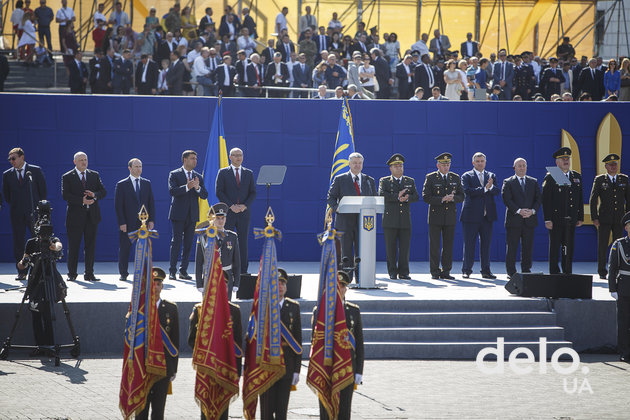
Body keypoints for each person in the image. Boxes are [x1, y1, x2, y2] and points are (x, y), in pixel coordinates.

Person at [188, 271, 242, 420]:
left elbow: (238, 346)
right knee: (206, 408)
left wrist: (237, 372)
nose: (222, 287)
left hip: (226, 367)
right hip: (207, 368)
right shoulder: (200, 310)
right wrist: (206, 354)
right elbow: (191, 339)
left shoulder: (234, 311)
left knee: (223, 408)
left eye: (225, 284)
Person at [17, 201, 64, 355]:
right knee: (36, 315)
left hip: (50, 281)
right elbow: (21, 266)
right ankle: (40, 346)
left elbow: (59, 247)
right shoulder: (31, 243)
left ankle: (50, 346)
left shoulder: (53, 240)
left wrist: (53, 246)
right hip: (35, 282)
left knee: (48, 315)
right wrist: (24, 261)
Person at [316, 271, 364, 420]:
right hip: (326, 369)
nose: (340, 288)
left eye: (343, 286)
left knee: (344, 411)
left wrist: (359, 372)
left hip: (348, 370)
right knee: (326, 411)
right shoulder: (320, 311)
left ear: (346, 289)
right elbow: (315, 342)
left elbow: (360, 345)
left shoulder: (353, 311)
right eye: (337, 285)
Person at [136, 267, 179, 420]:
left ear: (162, 286)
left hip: (163, 369)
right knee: (141, 410)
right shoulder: (138, 309)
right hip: (143, 368)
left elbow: (175, 341)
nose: (155, 287)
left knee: (158, 411)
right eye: (153, 283)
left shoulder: (171, 308)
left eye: (158, 284)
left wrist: (173, 369)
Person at [327, 152, 377, 282]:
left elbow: (375, 199)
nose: (357, 165)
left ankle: (362, 278)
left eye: (360, 163)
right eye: (354, 162)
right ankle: (346, 279)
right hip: (345, 221)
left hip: (365, 223)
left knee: (362, 252)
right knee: (346, 252)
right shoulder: (340, 179)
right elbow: (331, 197)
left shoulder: (369, 180)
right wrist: (337, 207)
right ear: (349, 163)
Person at [260, 269, 301, 419]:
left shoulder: (293, 307)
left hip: (287, 368)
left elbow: (298, 341)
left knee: (282, 411)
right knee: (266, 412)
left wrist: (297, 370)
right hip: (266, 367)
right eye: (277, 283)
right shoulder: (263, 307)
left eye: (283, 283)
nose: (280, 286)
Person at [61, 151, 107, 282]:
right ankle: (72, 274)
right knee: (74, 246)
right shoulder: (67, 176)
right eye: (81, 160)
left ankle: (89, 274)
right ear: (75, 162)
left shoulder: (94, 175)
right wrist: (82, 201)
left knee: (90, 246)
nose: (84, 162)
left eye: (85, 159)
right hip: (75, 218)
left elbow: (103, 192)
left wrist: (95, 195)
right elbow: (66, 195)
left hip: (92, 217)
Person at [3, 147, 47, 280]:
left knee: (37, 241)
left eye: (14, 158)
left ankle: (36, 271)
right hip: (16, 213)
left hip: (34, 213)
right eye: (10, 159)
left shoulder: (35, 171)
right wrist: (17, 205)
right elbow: (7, 195)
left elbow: (42, 191)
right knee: (19, 242)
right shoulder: (7, 174)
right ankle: (22, 271)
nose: (11, 161)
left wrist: (38, 209)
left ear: (22, 157)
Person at [422, 153, 464, 279]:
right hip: (436, 216)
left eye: (448, 164)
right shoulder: (431, 178)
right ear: (438, 165)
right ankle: (434, 271)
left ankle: (446, 271)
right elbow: (426, 197)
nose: (446, 167)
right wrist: (441, 199)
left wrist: (453, 198)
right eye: (443, 164)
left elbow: (462, 196)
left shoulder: (455, 177)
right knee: (434, 246)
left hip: (450, 216)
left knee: (448, 246)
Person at [542, 147, 583, 274]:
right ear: (557, 162)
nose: (566, 161)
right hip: (556, 219)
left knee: (569, 246)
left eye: (567, 159)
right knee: (555, 247)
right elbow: (546, 200)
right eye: (563, 159)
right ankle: (554, 272)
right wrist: (547, 219)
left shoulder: (576, 176)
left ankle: (567, 271)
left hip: (570, 219)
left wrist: (580, 216)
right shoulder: (553, 176)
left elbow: (579, 198)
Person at [168, 150, 208, 280]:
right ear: (185, 160)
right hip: (178, 214)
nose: (195, 161)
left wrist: (197, 188)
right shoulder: (174, 174)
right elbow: (172, 191)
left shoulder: (198, 176)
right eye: (192, 158)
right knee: (176, 242)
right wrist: (187, 187)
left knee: (188, 243)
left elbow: (204, 195)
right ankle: (172, 271)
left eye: (196, 158)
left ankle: (183, 271)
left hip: (192, 215)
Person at [216, 148, 256, 275]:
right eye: (235, 155)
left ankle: (243, 270)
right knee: (227, 240)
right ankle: (226, 269)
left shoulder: (248, 173)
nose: (238, 157)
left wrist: (245, 206)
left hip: (244, 213)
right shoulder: (223, 172)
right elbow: (219, 192)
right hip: (228, 213)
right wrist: (231, 206)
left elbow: (253, 192)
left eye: (240, 155)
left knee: (243, 241)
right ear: (230, 157)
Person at [589, 154, 630, 279]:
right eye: (610, 165)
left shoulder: (624, 179)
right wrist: (594, 217)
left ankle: (617, 269)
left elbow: (628, 199)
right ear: (606, 166)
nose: (613, 167)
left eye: (615, 164)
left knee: (619, 245)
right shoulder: (600, 179)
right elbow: (593, 199)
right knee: (602, 245)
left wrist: (628, 218)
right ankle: (602, 270)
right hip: (604, 218)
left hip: (619, 218)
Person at [378, 154, 419, 280]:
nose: (399, 168)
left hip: (405, 220)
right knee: (391, 248)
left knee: (404, 248)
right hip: (390, 220)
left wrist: (407, 198)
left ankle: (404, 272)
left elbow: (416, 196)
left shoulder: (409, 181)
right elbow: (381, 195)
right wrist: (397, 196)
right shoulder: (384, 181)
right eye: (396, 166)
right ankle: (392, 271)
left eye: (400, 166)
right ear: (390, 168)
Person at [114, 158, 155, 282]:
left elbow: (151, 203)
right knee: (125, 248)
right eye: (136, 167)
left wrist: (151, 220)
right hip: (127, 222)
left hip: (143, 223)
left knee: (143, 249)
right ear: (130, 168)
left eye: (140, 166)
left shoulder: (146, 183)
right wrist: (122, 222)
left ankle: (143, 272)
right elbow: (118, 206)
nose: (139, 169)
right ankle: (123, 273)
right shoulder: (122, 184)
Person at [459, 153, 499, 279]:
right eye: (477, 161)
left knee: (486, 245)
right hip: (470, 216)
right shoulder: (466, 176)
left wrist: (490, 187)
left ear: (485, 162)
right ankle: (467, 270)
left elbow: (497, 191)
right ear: (473, 163)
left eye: (482, 161)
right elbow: (467, 191)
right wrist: (484, 189)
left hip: (487, 217)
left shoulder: (491, 175)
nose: (480, 163)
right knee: (469, 244)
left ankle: (486, 271)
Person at [501, 158, 542, 279]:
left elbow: (538, 199)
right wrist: (519, 211)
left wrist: (532, 211)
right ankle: (511, 272)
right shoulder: (508, 182)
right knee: (512, 247)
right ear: (514, 168)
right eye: (519, 166)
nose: (522, 168)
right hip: (514, 220)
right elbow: (507, 199)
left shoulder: (533, 182)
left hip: (529, 220)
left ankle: (526, 269)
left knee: (527, 247)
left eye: (524, 165)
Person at [195, 203, 240, 300]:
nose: (220, 221)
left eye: (222, 218)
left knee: (226, 308)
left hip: (226, 277)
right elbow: (199, 262)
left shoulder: (232, 237)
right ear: (212, 219)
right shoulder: (204, 237)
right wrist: (199, 283)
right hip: (209, 277)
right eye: (218, 218)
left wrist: (236, 282)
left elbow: (236, 262)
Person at [608, 212, 630, 363]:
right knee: (623, 322)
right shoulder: (619, 244)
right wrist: (612, 289)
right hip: (624, 288)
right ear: (627, 227)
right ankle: (624, 351)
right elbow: (612, 268)